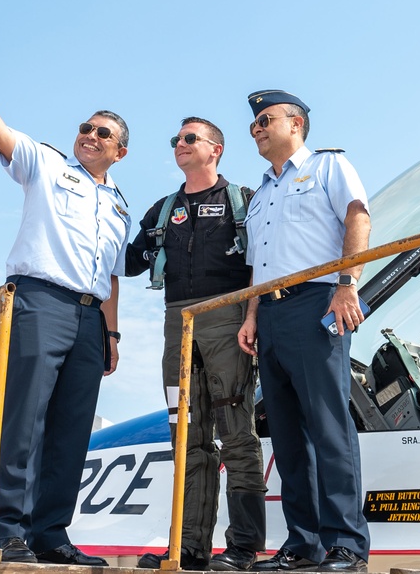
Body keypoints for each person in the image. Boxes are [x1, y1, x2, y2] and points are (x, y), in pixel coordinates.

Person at [0, 41, 131, 566]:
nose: (89, 136)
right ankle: (7, 531)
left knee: (73, 430)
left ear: (121, 151)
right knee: (24, 420)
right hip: (40, 302)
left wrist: (111, 334)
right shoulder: (49, 166)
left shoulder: (119, 204)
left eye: (103, 134)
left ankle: (52, 532)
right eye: (86, 128)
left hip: (90, 319)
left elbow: (112, 277)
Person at [236, 90, 372, 572]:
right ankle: (304, 542)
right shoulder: (262, 194)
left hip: (317, 301)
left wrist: (347, 284)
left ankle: (346, 545)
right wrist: (251, 316)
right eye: (253, 122)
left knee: (329, 427)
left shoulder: (328, 167)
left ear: (295, 123)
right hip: (270, 315)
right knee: (289, 437)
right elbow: (258, 264)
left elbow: (358, 216)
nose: (256, 127)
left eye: (265, 119)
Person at [126, 117, 267, 571]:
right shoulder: (162, 210)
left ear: (216, 150)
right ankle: (187, 547)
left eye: (190, 139)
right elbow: (126, 260)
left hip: (228, 317)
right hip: (176, 324)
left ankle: (244, 547)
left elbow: (263, 261)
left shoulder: (244, 201)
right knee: (186, 437)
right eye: (176, 140)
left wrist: (251, 316)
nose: (180, 145)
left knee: (237, 435)